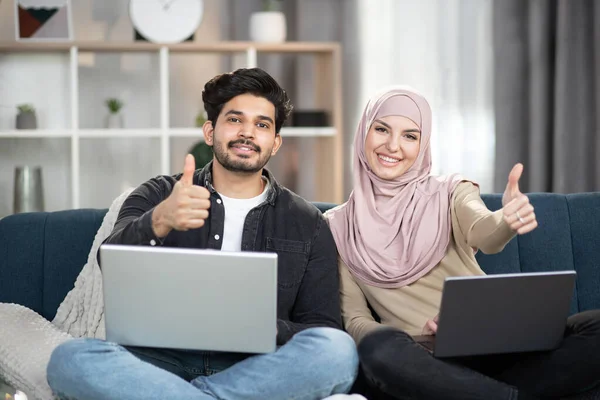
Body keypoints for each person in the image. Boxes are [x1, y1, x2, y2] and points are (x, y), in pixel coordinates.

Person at [46, 67, 359, 400]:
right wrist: (159, 220)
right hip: (156, 364)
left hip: (256, 370)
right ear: (210, 132)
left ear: (276, 142)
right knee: (69, 360)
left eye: (262, 125)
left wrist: (261, 326)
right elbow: (107, 260)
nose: (247, 133)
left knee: (338, 351)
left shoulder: (308, 222)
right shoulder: (158, 193)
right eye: (235, 120)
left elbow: (321, 327)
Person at [325, 86, 600, 400]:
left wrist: (506, 219)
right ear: (364, 132)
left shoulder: (451, 191)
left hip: (499, 342)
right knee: (378, 348)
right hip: (423, 363)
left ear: (423, 143)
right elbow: (355, 318)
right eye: (382, 129)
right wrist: (412, 339)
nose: (392, 146)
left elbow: (484, 231)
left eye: (410, 136)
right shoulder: (336, 225)